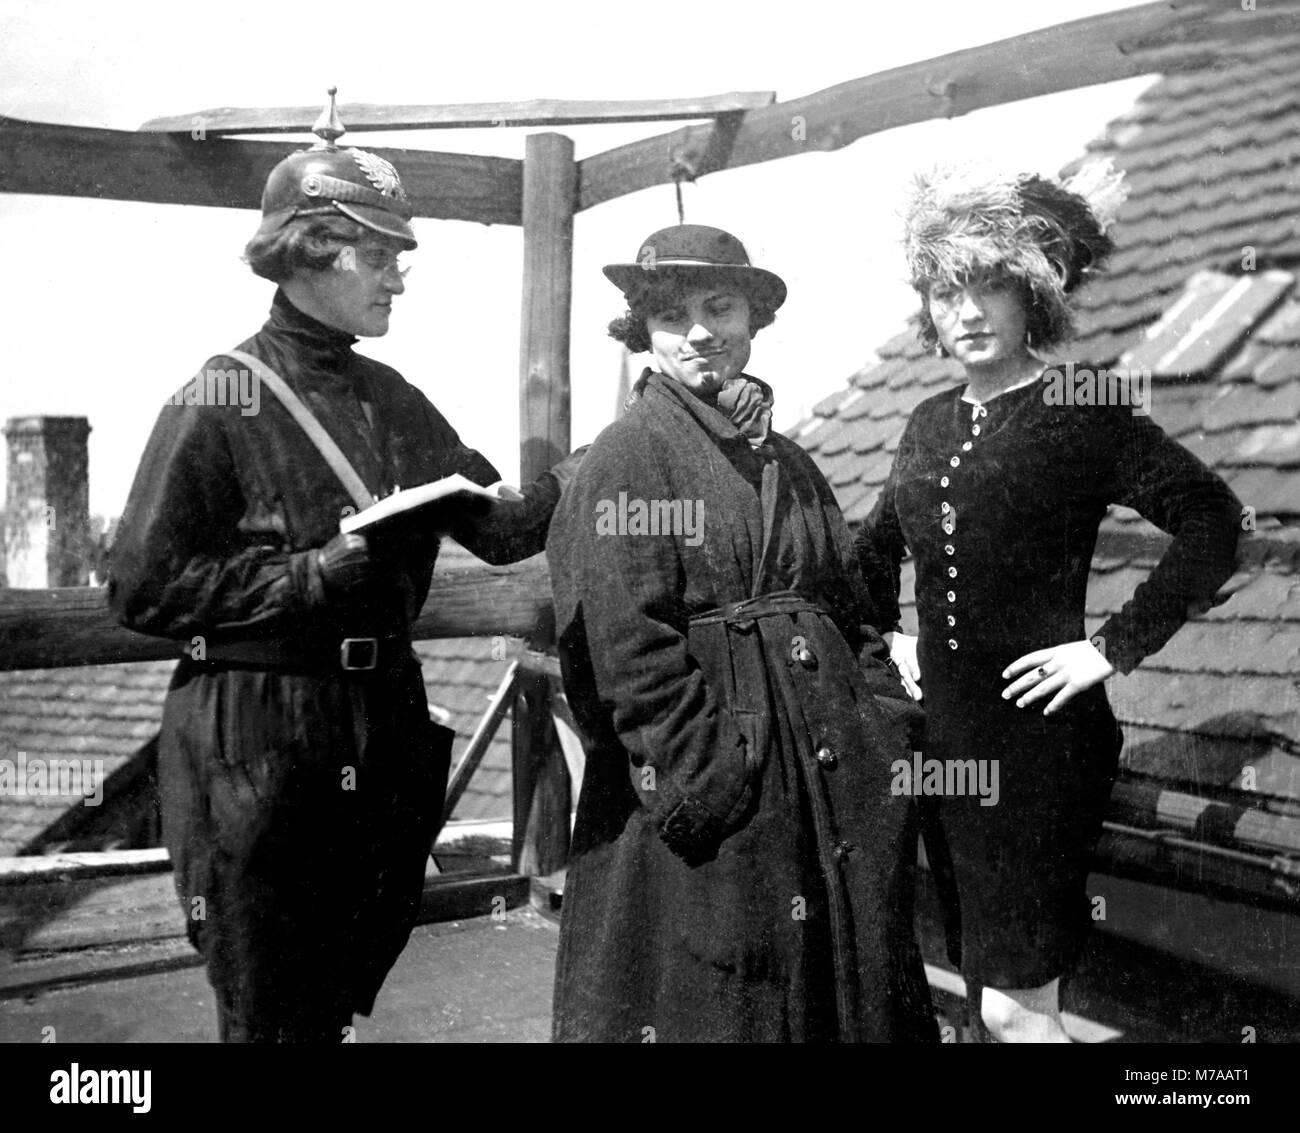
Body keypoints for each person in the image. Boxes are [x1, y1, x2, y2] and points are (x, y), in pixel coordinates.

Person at [108, 96, 580, 1043]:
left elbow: (500, 531)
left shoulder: (390, 396)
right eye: (380, 255)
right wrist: (307, 579)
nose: (399, 280)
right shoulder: (219, 396)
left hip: (377, 730)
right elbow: (142, 587)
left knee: (331, 999)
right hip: (260, 736)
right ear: (312, 249)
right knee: (268, 1006)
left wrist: (608, 459)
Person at [854, 164, 1243, 1042]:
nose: (968, 311)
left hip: (1041, 748)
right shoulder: (925, 421)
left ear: (1033, 292)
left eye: (990, 285)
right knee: (983, 993)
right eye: (948, 290)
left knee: (1015, 1011)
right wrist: (893, 634)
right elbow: (872, 552)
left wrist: (1109, 648)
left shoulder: (1080, 403)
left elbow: (1212, 517)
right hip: (945, 748)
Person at [546, 224, 937, 1043]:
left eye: (719, 306)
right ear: (643, 334)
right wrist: (714, 785)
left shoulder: (790, 462)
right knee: (728, 1006)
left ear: (753, 319)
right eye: (671, 315)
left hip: (826, 801)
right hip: (712, 814)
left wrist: (886, 736)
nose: (699, 331)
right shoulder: (629, 456)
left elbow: (855, 613)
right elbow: (626, 648)